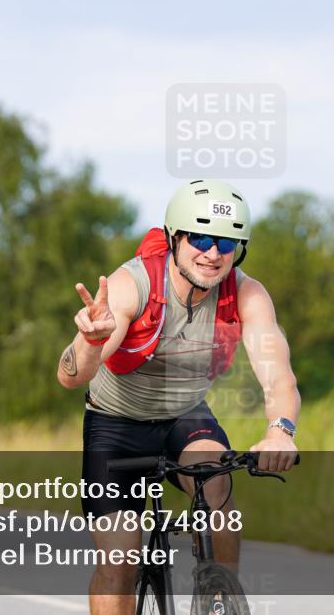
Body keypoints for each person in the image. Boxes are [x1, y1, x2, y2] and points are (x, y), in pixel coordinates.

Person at [57, 179, 301, 615]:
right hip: (115, 423)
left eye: (226, 242)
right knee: (121, 559)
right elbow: (70, 376)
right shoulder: (133, 285)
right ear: (175, 238)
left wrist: (280, 430)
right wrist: (91, 342)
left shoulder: (247, 293)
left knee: (218, 489)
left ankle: (220, 597)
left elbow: (278, 376)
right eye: (200, 237)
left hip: (185, 416)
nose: (213, 253)